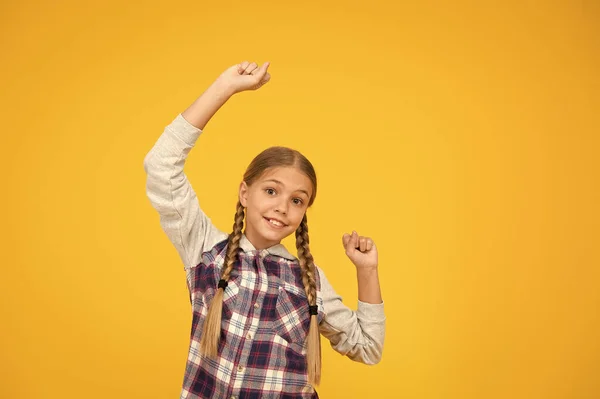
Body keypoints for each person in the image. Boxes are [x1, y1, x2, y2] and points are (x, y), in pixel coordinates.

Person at [143, 61, 386, 399]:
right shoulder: (204, 250)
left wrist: (367, 270)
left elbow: (367, 347)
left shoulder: (308, 280)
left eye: (297, 200)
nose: (282, 207)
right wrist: (223, 88)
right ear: (246, 193)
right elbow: (161, 166)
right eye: (271, 191)